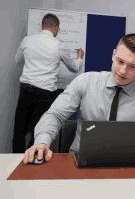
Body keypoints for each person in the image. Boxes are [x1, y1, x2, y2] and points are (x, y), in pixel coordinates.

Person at [23, 33, 135, 164]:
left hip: (127, 169)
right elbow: (55, 115)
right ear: (113, 54)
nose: (123, 71)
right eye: (120, 61)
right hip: (80, 164)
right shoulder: (86, 82)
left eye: (132, 66)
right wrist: (42, 142)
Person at [13, 13, 84, 153]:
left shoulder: (27, 40)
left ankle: (16, 162)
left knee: (19, 131)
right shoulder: (58, 45)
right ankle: (31, 160)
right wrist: (79, 57)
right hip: (45, 94)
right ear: (56, 27)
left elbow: (17, 61)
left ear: (42, 25)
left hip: (25, 91)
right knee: (39, 131)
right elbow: (74, 67)